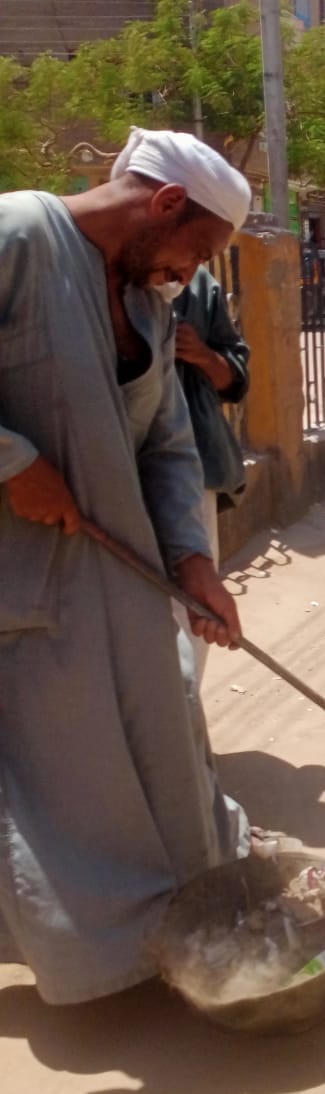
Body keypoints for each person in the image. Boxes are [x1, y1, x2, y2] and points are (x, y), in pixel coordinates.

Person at [0, 126, 252, 1004]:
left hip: (127, 578)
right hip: (27, 587)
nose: (192, 271)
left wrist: (191, 559)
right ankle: (92, 960)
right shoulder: (21, 235)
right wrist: (11, 461)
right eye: (199, 247)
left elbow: (170, 447)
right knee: (65, 787)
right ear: (167, 204)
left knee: (166, 744)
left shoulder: (151, 304)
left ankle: (170, 932)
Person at [172, 262, 250, 679]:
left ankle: (184, 723)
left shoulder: (201, 287)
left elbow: (236, 378)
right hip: (114, 467)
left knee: (194, 600)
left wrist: (200, 354)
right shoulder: (100, 273)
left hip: (193, 463)